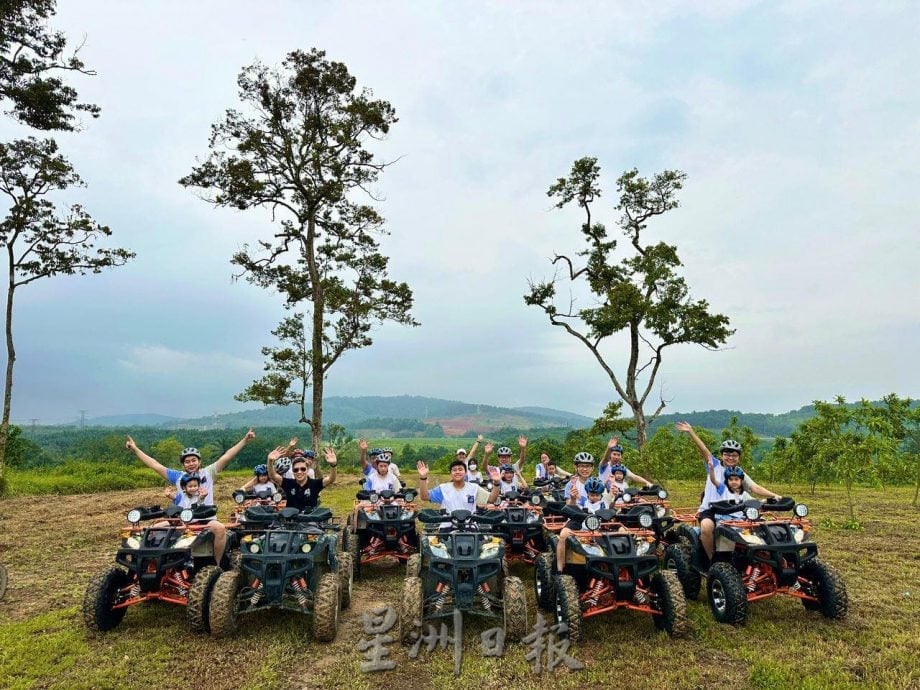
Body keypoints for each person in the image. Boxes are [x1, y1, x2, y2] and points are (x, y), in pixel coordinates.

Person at [125, 429, 254, 564]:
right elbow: (155, 465)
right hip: (182, 519)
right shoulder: (178, 477)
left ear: (199, 461)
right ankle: (153, 563)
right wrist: (135, 449)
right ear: (183, 464)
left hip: (205, 518)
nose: (191, 463)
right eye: (187, 461)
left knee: (220, 529)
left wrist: (244, 440)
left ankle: (218, 563)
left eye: (194, 460)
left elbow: (227, 456)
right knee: (151, 530)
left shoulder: (208, 473)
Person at [676, 421, 781, 560]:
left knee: (758, 526)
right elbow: (703, 449)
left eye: (734, 455)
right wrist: (690, 432)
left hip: (734, 510)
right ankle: (711, 560)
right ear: (722, 455)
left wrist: (774, 495)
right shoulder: (714, 465)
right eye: (727, 454)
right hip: (710, 509)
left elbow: (754, 487)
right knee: (707, 527)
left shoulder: (738, 473)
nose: (730, 458)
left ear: (739, 457)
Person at [416, 459, 501, 514]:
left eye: (460, 469)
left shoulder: (474, 488)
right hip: (447, 526)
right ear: (450, 473)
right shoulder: (443, 488)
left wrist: (496, 483)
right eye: (454, 470)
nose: (457, 472)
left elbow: (491, 499)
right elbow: (424, 497)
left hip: (470, 526)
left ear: (466, 472)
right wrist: (423, 477)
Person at [267, 446, 338, 512]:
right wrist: (270, 461)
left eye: (303, 469)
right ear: (293, 472)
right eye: (296, 470)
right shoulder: (288, 483)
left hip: (310, 521)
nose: (299, 472)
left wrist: (333, 465)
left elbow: (331, 479)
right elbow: (272, 475)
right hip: (290, 520)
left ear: (307, 470)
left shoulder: (315, 484)